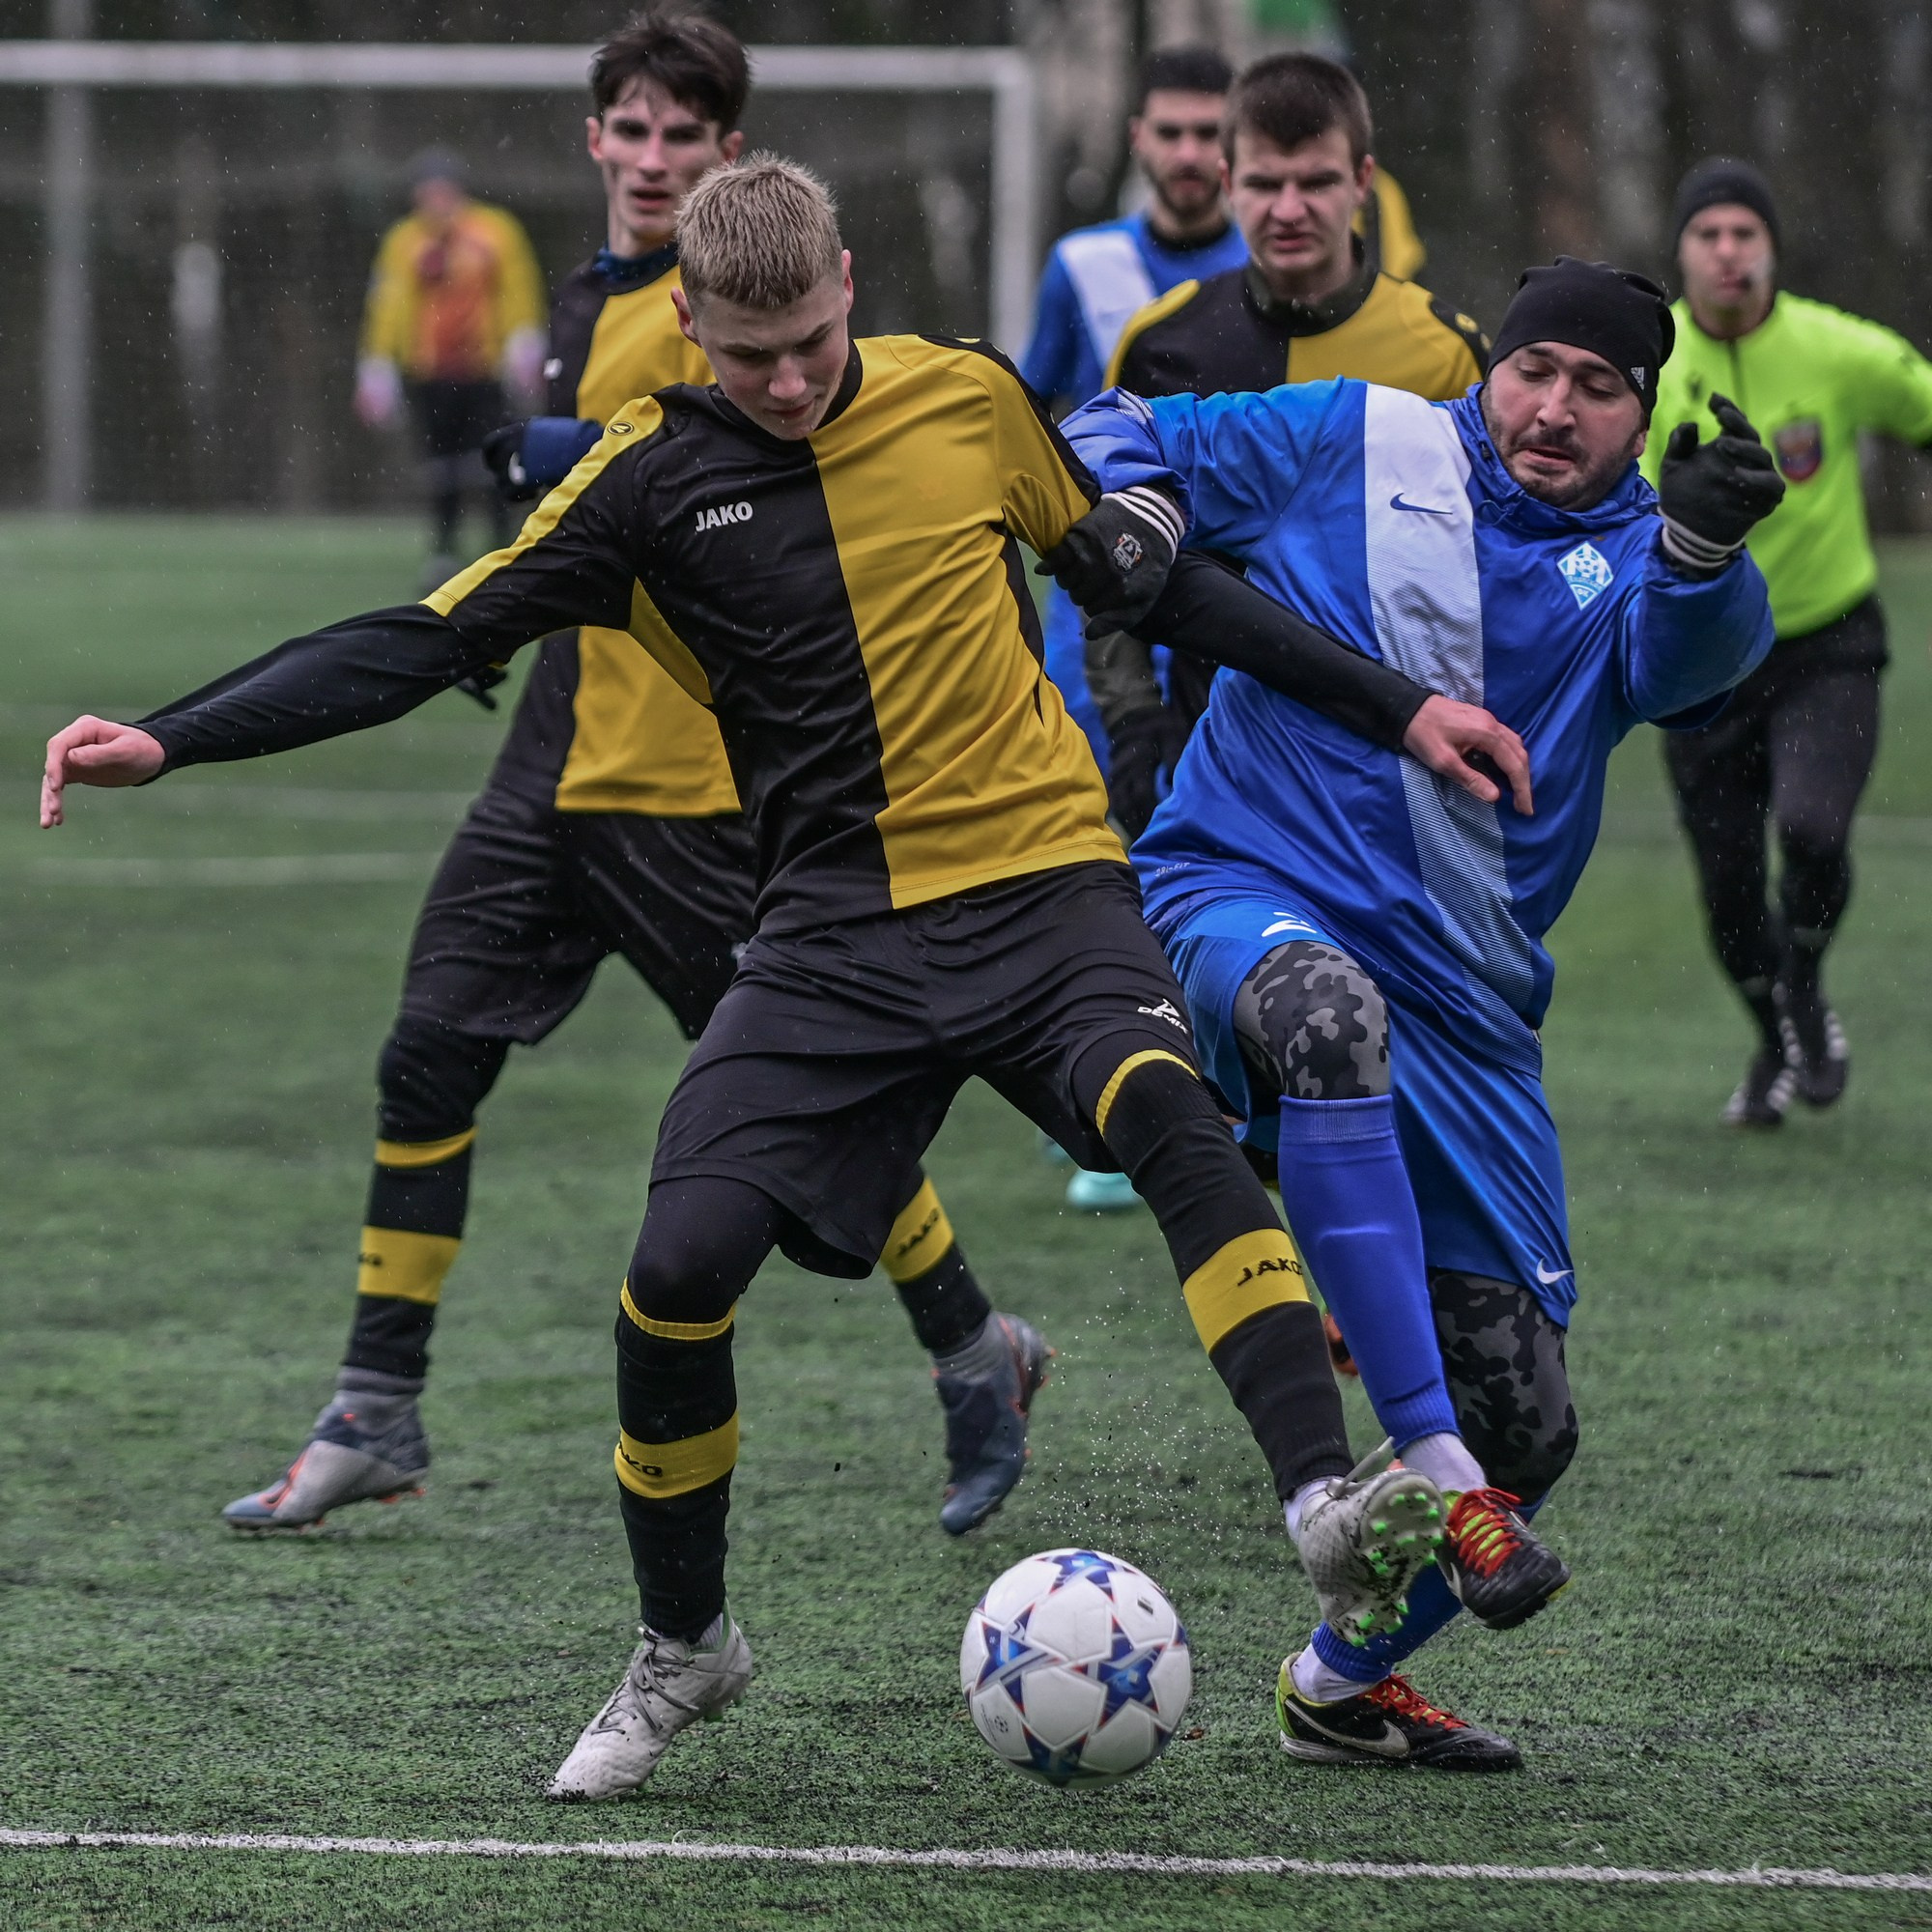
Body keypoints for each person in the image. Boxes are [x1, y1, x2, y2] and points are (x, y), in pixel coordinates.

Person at [43, 158, 1558, 1803]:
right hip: (833, 937)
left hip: (1048, 890)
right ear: (687, 322)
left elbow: (1151, 582)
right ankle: (685, 1646)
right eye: (748, 356)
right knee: (673, 1273)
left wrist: (1397, 704)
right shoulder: (639, 484)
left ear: (848, 277)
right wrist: (173, 735)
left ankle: (1321, 1505)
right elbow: (423, 635)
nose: (787, 381)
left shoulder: (968, 399)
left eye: (814, 339)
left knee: (1169, 1121)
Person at [210, 14, 1048, 1546]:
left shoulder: (728, 312)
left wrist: (533, 450)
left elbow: (658, 467)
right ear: (595, 137)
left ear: (733, 155)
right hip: (555, 761)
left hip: (693, 784)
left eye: (689, 135)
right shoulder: (588, 293)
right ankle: (374, 1403)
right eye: (635, 131)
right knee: (425, 1056)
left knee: (812, 1118)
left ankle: (973, 1343)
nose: (657, 159)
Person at [1061, 256, 1782, 1767]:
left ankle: (1341, 1682)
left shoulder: (1636, 565)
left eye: (1597, 388)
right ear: (1489, 369)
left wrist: (1710, 546)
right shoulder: (1360, 434)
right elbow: (1107, 424)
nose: (1553, 407)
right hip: (1236, 891)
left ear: (1642, 417)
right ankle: (1420, 1467)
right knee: (1326, 1019)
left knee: (1536, 1425)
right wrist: (1130, 499)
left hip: (1468, 1006)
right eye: (1534, 371)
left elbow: (1692, 669)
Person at [1092, 51, 1490, 846]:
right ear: (1228, 177)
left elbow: (1491, 563)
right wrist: (1136, 721)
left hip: (1389, 761)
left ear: (1363, 180)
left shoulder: (1446, 353)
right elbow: (1113, 550)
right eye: (1266, 183)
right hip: (1213, 759)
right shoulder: (1160, 344)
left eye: (1316, 182)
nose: (1289, 208)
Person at [1643, 160, 1932, 1126]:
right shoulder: (1643, 363)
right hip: (1701, 656)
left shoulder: (1837, 349)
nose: (1727, 252)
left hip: (1824, 642)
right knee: (1726, 892)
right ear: (1679, 251)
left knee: (1809, 829)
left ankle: (1801, 973)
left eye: (1743, 234)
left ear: (1768, 248)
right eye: (1707, 235)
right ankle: (1773, 1027)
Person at [1021, 48, 1249, 1212]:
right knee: (1102, 844)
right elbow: (1039, 414)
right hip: (1100, 613)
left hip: (1226, 606)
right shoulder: (1084, 265)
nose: (1190, 154)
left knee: (1214, 840)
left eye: (1211, 133)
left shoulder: (1270, 267)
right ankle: (1115, 1088)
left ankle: (1209, 1085)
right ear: (1138, 140)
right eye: (1169, 130)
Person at [355, 151, 547, 584]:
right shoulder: (404, 242)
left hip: (485, 368)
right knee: (440, 463)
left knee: (494, 453)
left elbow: (518, 288)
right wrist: (377, 361)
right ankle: (443, 548)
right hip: (432, 372)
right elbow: (388, 304)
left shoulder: (494, 232)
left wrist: (524, 342)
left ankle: (502, 543)